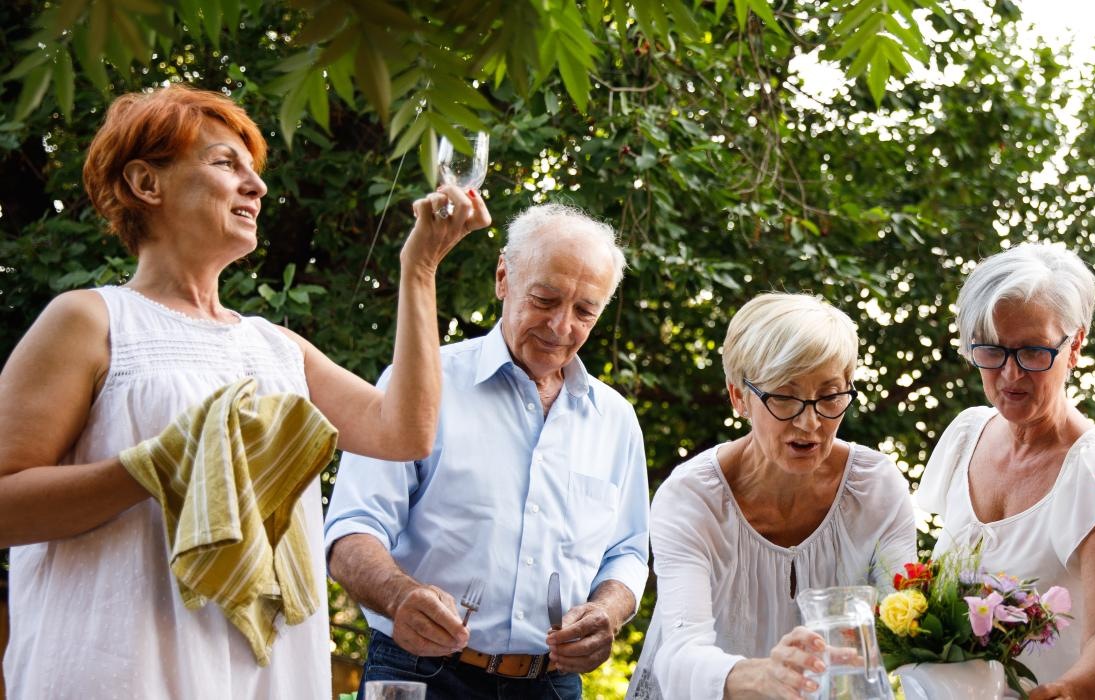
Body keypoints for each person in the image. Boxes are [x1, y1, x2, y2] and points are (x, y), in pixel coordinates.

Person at [0, 84, 485, 697]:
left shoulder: (275, 347)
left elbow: (404, 432)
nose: (255, 186)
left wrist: (420, 269)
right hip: (119, 667)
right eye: (226, 163)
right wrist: (155, 468)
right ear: (147, 183)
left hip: (262, 675)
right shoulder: (91, 319)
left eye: (254, 171)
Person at [325, 204, 648, 698]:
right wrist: (400, 595)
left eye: (585, 310)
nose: (562, 327)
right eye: (545, 299)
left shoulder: (617, 421)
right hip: (419, 669)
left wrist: (607, 610)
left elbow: (627, 552)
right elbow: (352, 528)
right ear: (504, 277)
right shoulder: (424, 386)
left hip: (551, 684)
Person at [626, 293, 915, 700]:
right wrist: (763, 676)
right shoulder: (690, 498)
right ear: (739, 396)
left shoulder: (877, 487)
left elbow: (909, 621)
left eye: (830, 395)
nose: (809, 421)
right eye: (784, 395)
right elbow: (677, 654)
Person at [914, 243, 1095, 698]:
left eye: (1032, 351)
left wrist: (1068, 689)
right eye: (991, 350)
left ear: (1075, 346)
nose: (1010, 375)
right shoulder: (967, 435)